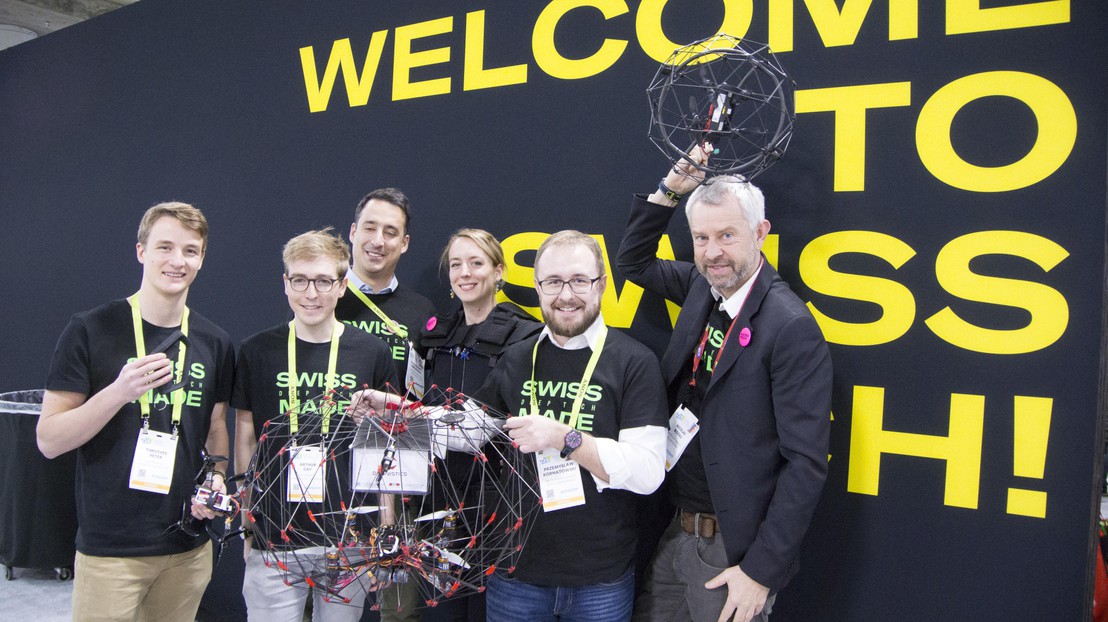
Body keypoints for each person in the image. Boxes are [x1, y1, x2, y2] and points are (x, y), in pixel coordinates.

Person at [617, 147, 833, 622]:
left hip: (732, 550)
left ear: (760, 233)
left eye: (727, 235)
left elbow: (806, 464)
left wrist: (760, 572)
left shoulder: (789, 326)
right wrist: (670, 191)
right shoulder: (702, 285)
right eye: (701, 237)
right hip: (674, 529)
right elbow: (632, 262)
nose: (713, 251)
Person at [38, 201, 235, 622]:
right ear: (141, 251)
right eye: (165, 247)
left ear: (201, 259)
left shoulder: (214, 342)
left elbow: (217, 428)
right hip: (113, 551)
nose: (177, 261)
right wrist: (118, 392)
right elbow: (49, 440)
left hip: (188, 548)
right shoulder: (91, 330)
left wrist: (217, 479)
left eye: (190, 250)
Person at [475, 230, 669, 622]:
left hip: (599, 578)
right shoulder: (516, 357)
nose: (566, 295)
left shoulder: (634, 362)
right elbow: (471, 430)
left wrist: (564, 437)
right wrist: (401, 413)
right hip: (515, 572)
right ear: (537, 286)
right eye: (553, 282)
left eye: (580, 280)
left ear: (601, 284)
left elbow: (648, 473)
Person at [233, 229, 397, 621]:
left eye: (324, 281)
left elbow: (387, 443)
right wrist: (246, 518)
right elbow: (245, 435)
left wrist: (387, 527)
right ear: (285, 283)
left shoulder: (371, 352)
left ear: (342, 286)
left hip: (350, 536)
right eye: (300, 280)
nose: (311, 293)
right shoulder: (257, 351)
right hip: (274, 533)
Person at [416, 228, 542, 621]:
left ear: (499, 271)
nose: (465, 273)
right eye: (456, 264)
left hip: (498, 501)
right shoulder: (433, 334)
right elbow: (416, 400)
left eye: (476, 262)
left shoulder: (527, 334)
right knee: (442, 611)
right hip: (438, 499)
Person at [334, 187, 434, 620]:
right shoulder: (324, 297)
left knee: (399, 609)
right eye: (369, 228)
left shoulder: (421, 310)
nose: (378, 240)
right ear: (352, 233)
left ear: (405, 243)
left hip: (399, 474)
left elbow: (422, 394)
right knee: (328, 604)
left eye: (390, 232)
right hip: (331, 475)